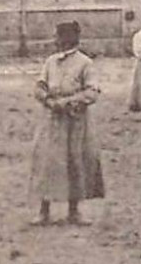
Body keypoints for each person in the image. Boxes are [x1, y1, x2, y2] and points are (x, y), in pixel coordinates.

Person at [30, 21, 104, 225]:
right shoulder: (50, 62)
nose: (56, 40)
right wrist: (47, 99)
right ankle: (44, 211)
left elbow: (92, 91)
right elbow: (39, 85)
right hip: (52, 122)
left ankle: (74, 211)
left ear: (69, 38)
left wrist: (68, 102)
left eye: (59, 36)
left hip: (75, 122)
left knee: (75, 162)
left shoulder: (85, 63)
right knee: (47, 162)